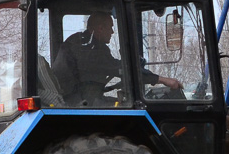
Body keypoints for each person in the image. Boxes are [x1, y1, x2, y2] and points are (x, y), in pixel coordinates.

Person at [52, 12, 181, 106]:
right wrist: (162, 79)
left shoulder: (82, 42)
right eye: (111, 27)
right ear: (101, 29)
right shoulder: (89, 48)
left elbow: (114, 68)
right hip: (77, 102)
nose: (112, 32)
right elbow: (119, 68)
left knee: (119, 103)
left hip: (79, 99)